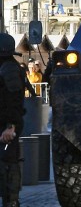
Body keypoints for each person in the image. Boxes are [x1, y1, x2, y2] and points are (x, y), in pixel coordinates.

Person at [0, 35, 24, 207]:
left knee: (8, 162)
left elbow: (13, 100)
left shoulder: (8, 70)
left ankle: (12, 201)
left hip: (6, 126)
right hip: (6, 124)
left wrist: (10, 126)